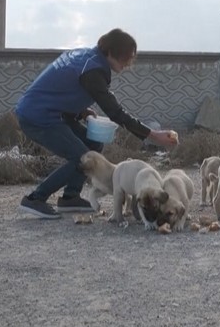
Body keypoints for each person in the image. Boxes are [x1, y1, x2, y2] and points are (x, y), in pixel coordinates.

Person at [14, 28, 179, 219]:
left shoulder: (87, 57)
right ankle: (35, 198)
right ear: (110, 52)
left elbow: (60, 88)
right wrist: (152, 134)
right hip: (38, 117)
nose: (128, 63)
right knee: (83, 159)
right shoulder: (93, 70)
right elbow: (115, 112)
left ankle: (70, 197)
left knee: (94, 144)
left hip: (50, 113)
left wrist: (82, 111)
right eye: (125, 58)